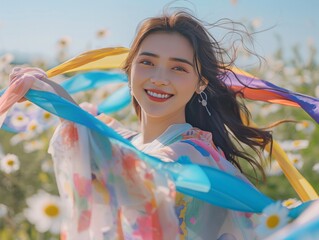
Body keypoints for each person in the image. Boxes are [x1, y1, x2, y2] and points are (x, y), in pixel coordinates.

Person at [1, 10, 283, 240]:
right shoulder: (134, 142)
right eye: (147, 62)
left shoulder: (193, 150)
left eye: (178, 68)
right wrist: (62, 103)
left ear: (201, 83)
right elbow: (108, 139)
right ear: (129, 70)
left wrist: (66, 108)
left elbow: (141, 171)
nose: (160, 78)